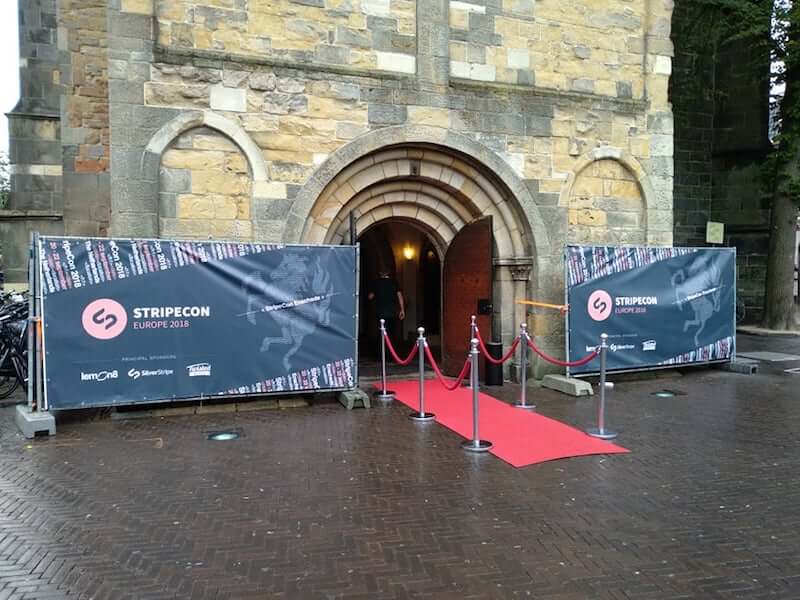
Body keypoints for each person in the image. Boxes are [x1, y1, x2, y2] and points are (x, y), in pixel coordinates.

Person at [368, 269, 405, 344]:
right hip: (392, 312)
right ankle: (390, 352)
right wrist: (402, 310)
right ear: (389, 273)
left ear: (380, 273)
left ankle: (381, 352)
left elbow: (370, 297)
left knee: (381, 333)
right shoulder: (394, 282)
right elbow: (400, 296)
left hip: (380, 312)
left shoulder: (376, 283)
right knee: (391, 333)